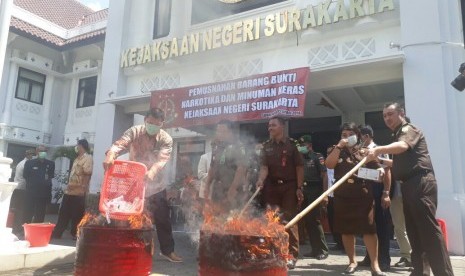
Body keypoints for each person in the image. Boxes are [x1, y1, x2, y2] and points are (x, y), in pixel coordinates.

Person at [367, 102, 454, 276]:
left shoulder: (409, 129)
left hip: (420, 183)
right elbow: (398, 163)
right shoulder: (398, 135)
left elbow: (402, 147)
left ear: (401, 113)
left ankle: (443, 273)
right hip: (408, 185)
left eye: (390, 114)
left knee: (428, 231)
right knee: (414, 232)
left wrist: (378, 150)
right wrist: (379, 160)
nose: (387, 118)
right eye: (384, 116)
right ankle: (420, 271)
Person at [103, 107, 182, 263]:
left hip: (156, 184)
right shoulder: (135, 131)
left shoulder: (166, 139)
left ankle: (168, 251)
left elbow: (162, 160)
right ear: (146, 120)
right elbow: (120, 144)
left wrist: (152, 172)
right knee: (130, 216)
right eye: (150, 123)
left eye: (156, 124)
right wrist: (111, 154)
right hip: (134, 183)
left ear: (162, 124)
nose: (152, 126)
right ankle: (128, 249)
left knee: (163, 218)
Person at [325, 123, 386, 276]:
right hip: (343, 196)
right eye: (343, 135)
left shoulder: (365, 152)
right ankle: (352, 261)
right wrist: (339, 146)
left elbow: (379, 171)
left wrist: (377, 173)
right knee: (346, 230)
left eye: (349, 134)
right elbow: (329, 164)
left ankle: (375, 265)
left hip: (363, 196)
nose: (346, 138)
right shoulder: (335, 150)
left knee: (369, 230)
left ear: (357, 136)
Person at [255, 116, 304, 270]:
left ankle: (291, 255)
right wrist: (260, 180)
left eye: (273, 125)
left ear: (282, 126)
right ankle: (274, 253)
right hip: (271, 187)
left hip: (289, 187)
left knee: (289, 221)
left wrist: (299, 187)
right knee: (271, 220)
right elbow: (264, 167)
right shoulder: (266, 146)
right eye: (269, 125)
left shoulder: (292, 145)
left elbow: (299, 167)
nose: (270, 128)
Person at [358, 125, 392, 271]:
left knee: (381, 227)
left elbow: (387, 170)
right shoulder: (359, 152)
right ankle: (370, 257)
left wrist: (386, 193)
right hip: (365, 192)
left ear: (366, 136)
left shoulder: (379, 149)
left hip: (378, 191)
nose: (359, 140)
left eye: (360, 136)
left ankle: (384, 259)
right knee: (368, 226)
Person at [52, 139, 93, 239]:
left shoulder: (88, 158)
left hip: (79, 191)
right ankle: (57, 233)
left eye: (77, 145)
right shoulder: (76, 158)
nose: (76, 147)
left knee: (77, 214)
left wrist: (83, 189)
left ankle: (75, 233)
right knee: (63, 212)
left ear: (81, 146)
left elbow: (88, 174)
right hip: (69, 190)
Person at [298, 135, 329, 260]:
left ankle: (323, 250)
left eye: (303, 145)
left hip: (315, 190)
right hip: (304, 191)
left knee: (315, 220)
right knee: (308, 221)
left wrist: (325, 194)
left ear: (309, 145)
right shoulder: (299, 157)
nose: (301, 147)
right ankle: (314, 249)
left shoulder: (317, 156)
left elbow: (324, 175)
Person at [204, 120, 247, 209]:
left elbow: (241, 168)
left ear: (230, 132)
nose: (219, 134)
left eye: (222, 131)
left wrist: (233, 188)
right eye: (217, 131)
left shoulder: (238, 146)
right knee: (215, 217)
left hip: (231, 189)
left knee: (230, 218)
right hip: (217, 189)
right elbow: (212, 167)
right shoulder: (217, 147)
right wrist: (207, 185)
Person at [23, 145, 55, 223]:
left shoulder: (50, 164)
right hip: (31, 193)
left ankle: (37, 230)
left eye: (45, 151)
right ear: (37, 152)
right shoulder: (29, 163)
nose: (43, 153)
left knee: (40, 214)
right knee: (28, 212)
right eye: (41, 151)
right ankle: (25, 229)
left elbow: (50, 176)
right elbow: (25, 176)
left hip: (43, 194)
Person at [10, 149, 35, 234]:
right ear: (28, 155)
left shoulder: (21, 162)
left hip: (18, 188)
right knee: (20, 210)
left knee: (17, 209)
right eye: (32, 155)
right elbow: (28, 177)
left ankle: (15, 227)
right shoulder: (26, 164)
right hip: (21, 189)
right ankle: (17, 227)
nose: (33, 156)